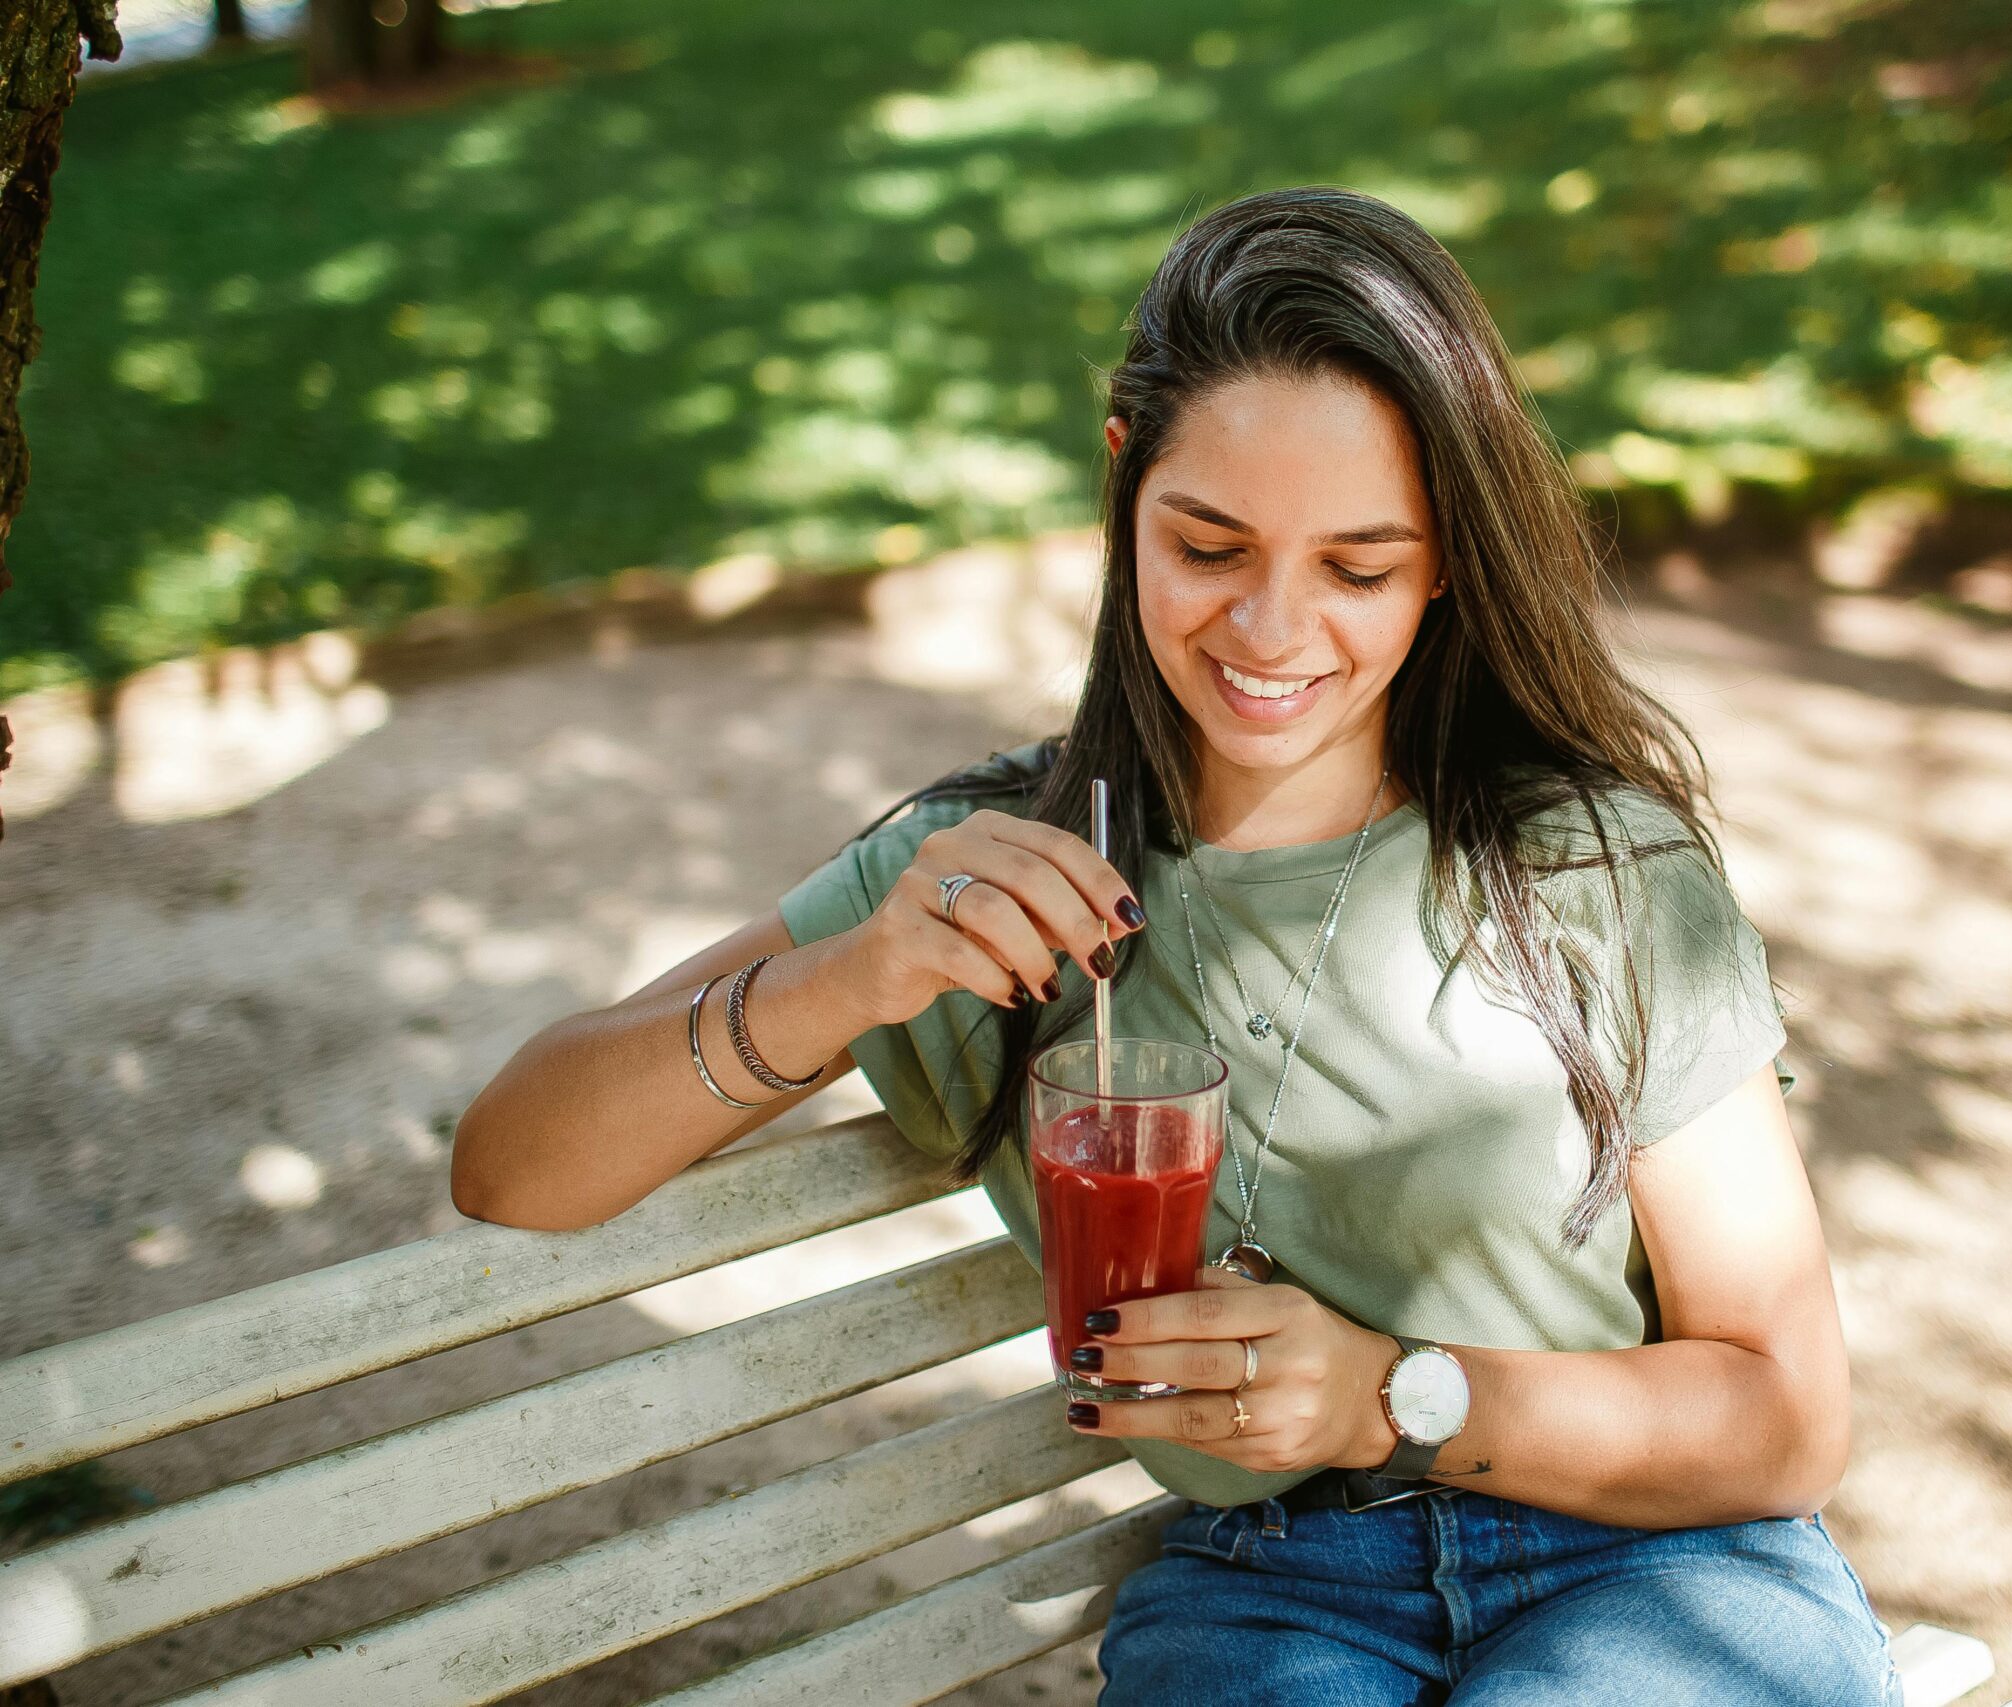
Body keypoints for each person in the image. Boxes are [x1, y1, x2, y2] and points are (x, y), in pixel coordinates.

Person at [451, 186, 1899, 1706]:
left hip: (1654, 1572)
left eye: (1358, 567)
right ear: (1123, 484)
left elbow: (1783, 1417)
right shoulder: (986, 877)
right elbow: (512, 1164)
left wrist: (1379, 1400)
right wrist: (845, 979)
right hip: (1270, 1600)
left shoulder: (1588, 864)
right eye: (1209, 546)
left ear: (1449, 561)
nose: (1274, 632)